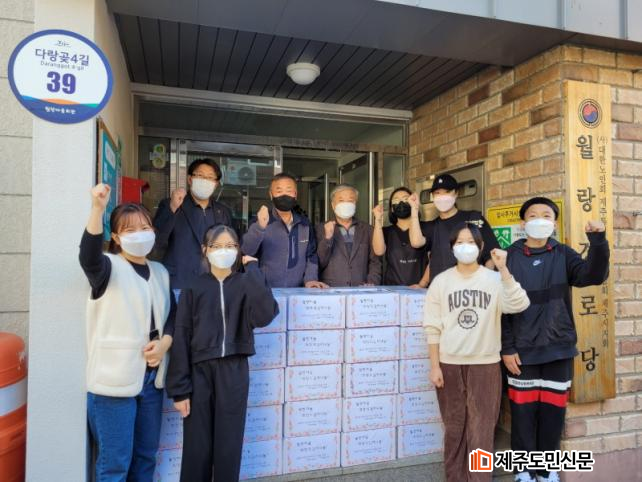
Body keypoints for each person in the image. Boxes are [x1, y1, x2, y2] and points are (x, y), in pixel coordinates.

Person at [501, 197, 609, 482]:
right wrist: (507, 347)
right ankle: (523, 471)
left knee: (553, 415)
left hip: (558, 349)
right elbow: (500, 309)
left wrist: (598, 240)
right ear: (522, 223)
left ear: (554, 223)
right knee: (522, 415)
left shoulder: (563, 254)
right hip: (521, 353)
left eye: (546, 215)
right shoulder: (508, 256)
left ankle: (546, 470)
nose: (539, 219)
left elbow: (593, 276)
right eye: (532, 215)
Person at [166, 225, 279, 482]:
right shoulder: (193, 287)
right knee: (197, 448)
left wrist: (253, 270)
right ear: (205, 250)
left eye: (230, 246)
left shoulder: (245, 283)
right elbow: (181, 336)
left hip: (234, 371)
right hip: (199, 373)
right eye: (217, 246)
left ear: (238, 250)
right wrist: (180, 390)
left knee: (229, 446)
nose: (224, 251)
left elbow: (265, 315)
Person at [80, 184, 175, 482]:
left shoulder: (160, 272)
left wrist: (164, 344)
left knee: (145, 458)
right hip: (114, 382)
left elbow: (172, 317)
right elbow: (88, 257)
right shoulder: (107, 268)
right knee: (115, 465)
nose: (140, 234)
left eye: (145, 227)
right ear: (117, 238)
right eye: (130, 230)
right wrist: (97, 209)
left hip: (152, 381)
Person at [423, 222, 530, 482]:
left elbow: (519, 303)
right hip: (449, 364)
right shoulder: (441, 281)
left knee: (482, 429)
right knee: (454, 427)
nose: (465, 247)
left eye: (471, 242)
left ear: (481, 247)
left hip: (486, 365)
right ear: (452, 248)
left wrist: (503, 269)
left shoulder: (493, 280)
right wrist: (435, 366)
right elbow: (432, 326)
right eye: (460, 242)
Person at [153, 158, 232, 299]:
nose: (205, 180)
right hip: (178, 284)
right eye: (200, 175)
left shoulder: (223, 211)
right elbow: (157, 240)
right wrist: (173, 208)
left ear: (216, 184)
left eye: (210, 177)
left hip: (212, 285)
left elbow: (230, 248)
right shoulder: (171, 205)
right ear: (190, 179)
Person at [410, 173, 500, 284]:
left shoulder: (473, 218)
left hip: (471, 288)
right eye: (437, 193)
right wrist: (414, 209)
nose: (442, 196)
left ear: (456, 193)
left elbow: (491, 255)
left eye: (447, 192)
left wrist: (486, 283)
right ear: (433, 196)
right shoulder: (432, 226)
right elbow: (417, 243)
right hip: (441, 289)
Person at [241, 172, 325, 288]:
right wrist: (260, 227)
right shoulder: (260, 221)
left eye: (289, 191)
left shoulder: (304, 224)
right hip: (266, 291)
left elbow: (311, 255)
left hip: (297, 292)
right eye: (279, 191)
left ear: (295, 194)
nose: (284, 195)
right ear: (271, 194)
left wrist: (310, 279)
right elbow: (246, 251)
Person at [316, 184, 381, 286]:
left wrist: (372, 282)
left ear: (355, 204)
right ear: (333, 205)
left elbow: (375, 262)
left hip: (361, 290)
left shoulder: (367, 229)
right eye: (341, 200)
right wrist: (327, 239)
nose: (346, 204)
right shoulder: (320, 229)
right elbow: (318, 262)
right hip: (330, 290)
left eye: (350, 201)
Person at [372, 187, 430, 287]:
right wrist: (377, 219)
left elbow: (434, 260)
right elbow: (378, 251)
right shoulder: (386, 231)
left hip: (420, 290)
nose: (401, 203)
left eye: (405, 199)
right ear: (392, 208)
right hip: (392, 289)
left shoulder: (426, 228)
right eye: (396, 200)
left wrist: (422, 284)